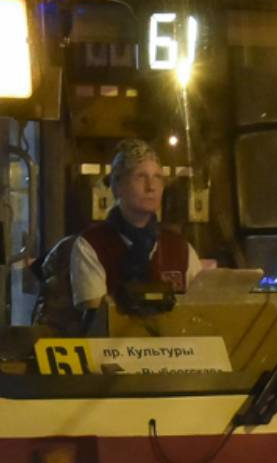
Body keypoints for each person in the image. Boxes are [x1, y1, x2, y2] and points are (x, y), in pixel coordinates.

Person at [67, 139, 209, 326]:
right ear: (117, 186)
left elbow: (202, 310)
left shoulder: (180, 248)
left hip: (176, 350)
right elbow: (97, 318)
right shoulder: (92, 245)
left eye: (158, 177)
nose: (151, 187)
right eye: (140, 177)